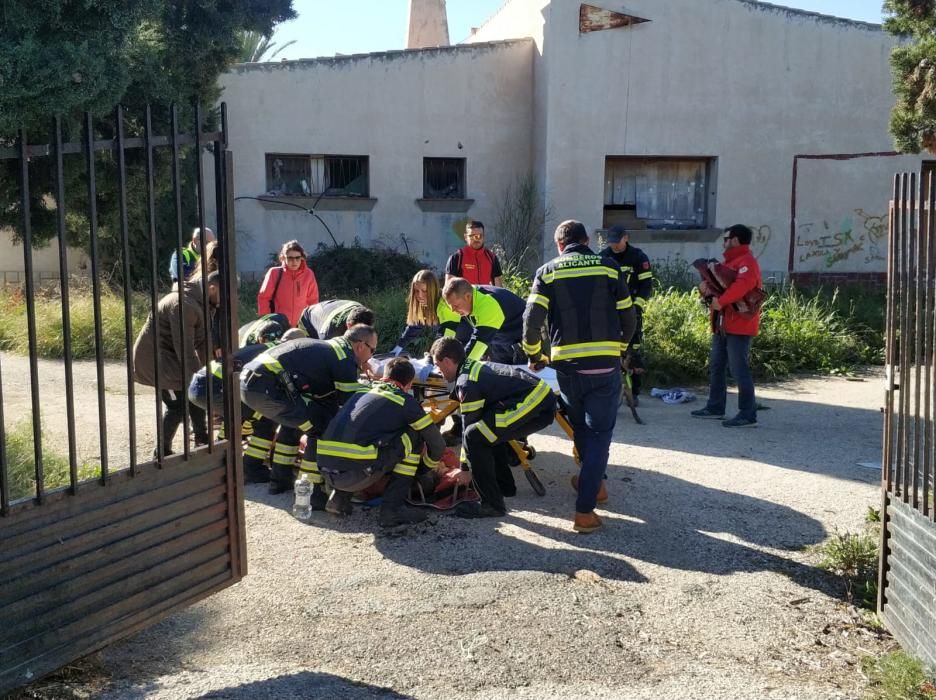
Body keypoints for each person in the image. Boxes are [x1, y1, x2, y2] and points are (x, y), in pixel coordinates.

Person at [522, 220, 636, 533]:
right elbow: (629, 316)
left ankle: (593, 487)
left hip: (569, 368)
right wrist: (620, 349)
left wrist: (535, 356)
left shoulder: (548, 271)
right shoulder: (610, 268)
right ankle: (585, 508)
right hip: (605, 366)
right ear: (586, 240)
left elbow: (531, 323)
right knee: (599, 433)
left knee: (582, 429)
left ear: (559, 245)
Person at [240, 325, 374, 496]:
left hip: (251, 383)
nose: (372, 356)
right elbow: (348, 403)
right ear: (360, 346)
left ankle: (279, 481)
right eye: (373, 350)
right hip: (267, 386)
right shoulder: (343, 357)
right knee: (321, 427)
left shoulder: (329, 348)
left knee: (296, 422)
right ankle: (311, 492)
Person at [430, 337, 556, 518]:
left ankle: (492, 505)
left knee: (475, 436)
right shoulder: (471, 367)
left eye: (437, 364)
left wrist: (465, 469)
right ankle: (504, 487)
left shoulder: (467, 382)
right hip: (539, 399)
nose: (437, 370)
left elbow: (468, 428)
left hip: (537, 403)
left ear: (448, 362)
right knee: (486, 431)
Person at [318, 357, 446, 527]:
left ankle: (339, 499)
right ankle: (392, 510)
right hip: (357, 473)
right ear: (408, 385)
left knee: (358, 441)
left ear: (384, 375)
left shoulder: (360, 393)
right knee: (414, 436)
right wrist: (422, 469)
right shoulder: (404, 401)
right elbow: (437, 444)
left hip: (326, 469)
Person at [133, 271, 222, 457]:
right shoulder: (184, 305)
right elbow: (185, 348)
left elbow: (203, 342)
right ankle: (162, 451)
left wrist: (210, 372)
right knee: (178, 406)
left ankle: (202, 440)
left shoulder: (202, 303)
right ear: (212, 288)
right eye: (224, 293)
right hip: (158, 362)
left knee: (195, 396)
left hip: (171, 358)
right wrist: (198, 378)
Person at [691, 224, 762, 428]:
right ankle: (715, 407)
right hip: (723, 323)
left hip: (739, 324)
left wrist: (720, 302)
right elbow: (721, 287)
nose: (723, 242)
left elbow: (742, 287)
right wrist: (705, 290)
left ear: (736, 240)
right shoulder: (730, 262)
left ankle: (748, 413)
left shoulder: (747, 263)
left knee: (738, 369)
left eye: (726, 238)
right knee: (716, 365)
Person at [600, 225, 653, 400]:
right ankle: (611, 390)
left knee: (632, 351)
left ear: (626, 238)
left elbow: (646, 286)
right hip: (609, 313)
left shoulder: (638, 257)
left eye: (618, 242)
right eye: (612, 242)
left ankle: (634, 392)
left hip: (631, 312)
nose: (614, 246)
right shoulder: (602, 258)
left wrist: (636, 306)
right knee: (608, 350)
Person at [441, 277, 526, 364]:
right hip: (500, 339)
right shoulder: (469, 294)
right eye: (450, 306)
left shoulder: (488, 305)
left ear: (468, 296)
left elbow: (476, 346)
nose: (453, 310)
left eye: (455, 305)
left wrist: (456, 366)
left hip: (526, 338)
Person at [391, 269, 465, 355]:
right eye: (416, 291)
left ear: (433, 290)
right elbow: (415, 326)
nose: (420, 295)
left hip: (469, 344)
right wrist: (398, 347)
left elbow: (446, 336)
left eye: (424, 291)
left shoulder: (447, 303)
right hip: (454, 346)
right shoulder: (425, 304)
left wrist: (432, 356)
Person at [256, 240, 319, 327]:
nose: (294, 262)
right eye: (290, 258)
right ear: (283, 258)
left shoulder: (308, 274)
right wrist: (266, 320)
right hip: (279, 324)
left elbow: (313, 301)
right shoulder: (274, 273)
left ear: (302, 258)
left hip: (301, 325)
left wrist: (312, 322)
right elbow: (264, 298)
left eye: (297, 258)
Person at [445, 220, 503, 287]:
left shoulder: (492, 258)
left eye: (479, 236)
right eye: (472, 236)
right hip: (465, 297)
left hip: (486, 297)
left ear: (483, 237)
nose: (476, 239)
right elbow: (449, 289)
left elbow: (499, 288)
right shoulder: (456, 258)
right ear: (465, 237)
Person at [297, 300, 375, 340]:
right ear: (349, 325)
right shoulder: (329, 334)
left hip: (329, 309)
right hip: (307, 320)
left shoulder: (362, 311)